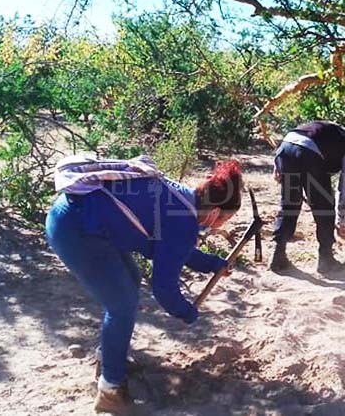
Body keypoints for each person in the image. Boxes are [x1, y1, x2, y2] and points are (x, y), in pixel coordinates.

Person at [45, 157, 242, 414]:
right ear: (215, 213)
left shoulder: (183, 200)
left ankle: (109, 356)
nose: (219, 226)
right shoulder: (183, 221)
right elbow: (164, 287)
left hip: (81, 220)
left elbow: (176, 250)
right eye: (223, 221)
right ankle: (110, 390)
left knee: (130, 279)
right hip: (75, 230)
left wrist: (214, 263)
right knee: (121, 304)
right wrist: (186, 312)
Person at [269, 121, 345, 274]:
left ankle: (278, 255)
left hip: (286, 148)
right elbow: (344, 188)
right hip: (308, 153)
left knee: (289, 204)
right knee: (324, 207)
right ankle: (326, 259)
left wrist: (278, 164)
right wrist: (342, 222)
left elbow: (294, 138)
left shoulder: (332, 131)